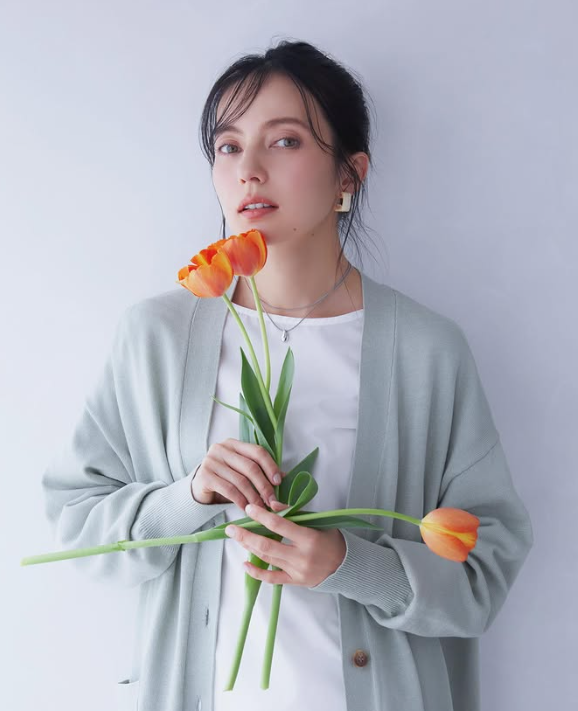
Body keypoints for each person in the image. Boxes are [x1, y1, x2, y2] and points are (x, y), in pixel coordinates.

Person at [41, 39, 534, 711]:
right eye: (228, 146)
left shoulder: (427, 351)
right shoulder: (157, 337)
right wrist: (191, 496)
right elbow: (75, 523)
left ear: (348, 175)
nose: (248, 170)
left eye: (284, 141)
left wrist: (348, 563)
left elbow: (486, 567)